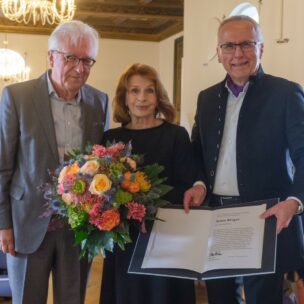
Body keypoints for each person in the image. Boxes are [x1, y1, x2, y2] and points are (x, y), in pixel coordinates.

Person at [183, 15, 304, 304]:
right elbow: (196, 151)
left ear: (261, 49)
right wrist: (199, 182)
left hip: (266, 218)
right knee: (221, 298)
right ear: (218, 53)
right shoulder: (206, 98)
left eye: (247, 44)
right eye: (229, 46)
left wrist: (294, 201)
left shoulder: (286, 93)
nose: (237, 54)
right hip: (217, 217)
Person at [0, 20, 109, 304]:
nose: (79, 67)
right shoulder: (17, 97)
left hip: (77, 227)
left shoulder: (99, 101)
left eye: (87, 60)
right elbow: (3, 167)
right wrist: (3, 225)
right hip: (27, 224)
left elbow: (103, 163)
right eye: (71, 57)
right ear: (51, 56)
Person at [100, 63, 196, 304]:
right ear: (124, 97)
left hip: (166, 235)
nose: (141, 98)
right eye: (134, 91)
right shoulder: (111, 138)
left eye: (149, 90)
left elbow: (186, 185)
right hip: (124, 238)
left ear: (158, 96)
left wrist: (146, 205)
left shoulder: (176, 135)